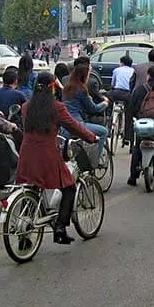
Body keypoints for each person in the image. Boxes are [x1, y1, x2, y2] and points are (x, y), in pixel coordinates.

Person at [17, 72, 98, 244]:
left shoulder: (26, 107)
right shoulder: (57, 108)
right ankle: (60, 228)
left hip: (27, 153)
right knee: (68, 187)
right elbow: (74, 126)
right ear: (53, 86)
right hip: (47, 154)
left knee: (31, 185)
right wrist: (92, 137)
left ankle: (24, 232)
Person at [62, 63, 110, 161]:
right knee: (104, 132)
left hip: (64, 124)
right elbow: (93, 108)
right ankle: (95, 159)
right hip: (77, 123)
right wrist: (104, 104)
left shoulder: (66, 88)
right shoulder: (82, 90)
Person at [108, 55, 135, 145]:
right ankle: (128, 137)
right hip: (128, 94)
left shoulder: (116, 70)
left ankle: (109, 119)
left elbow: (113, 83)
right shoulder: (133, 71)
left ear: (122, 63)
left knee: (108, 99)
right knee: (129, 115)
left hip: (117, 93)